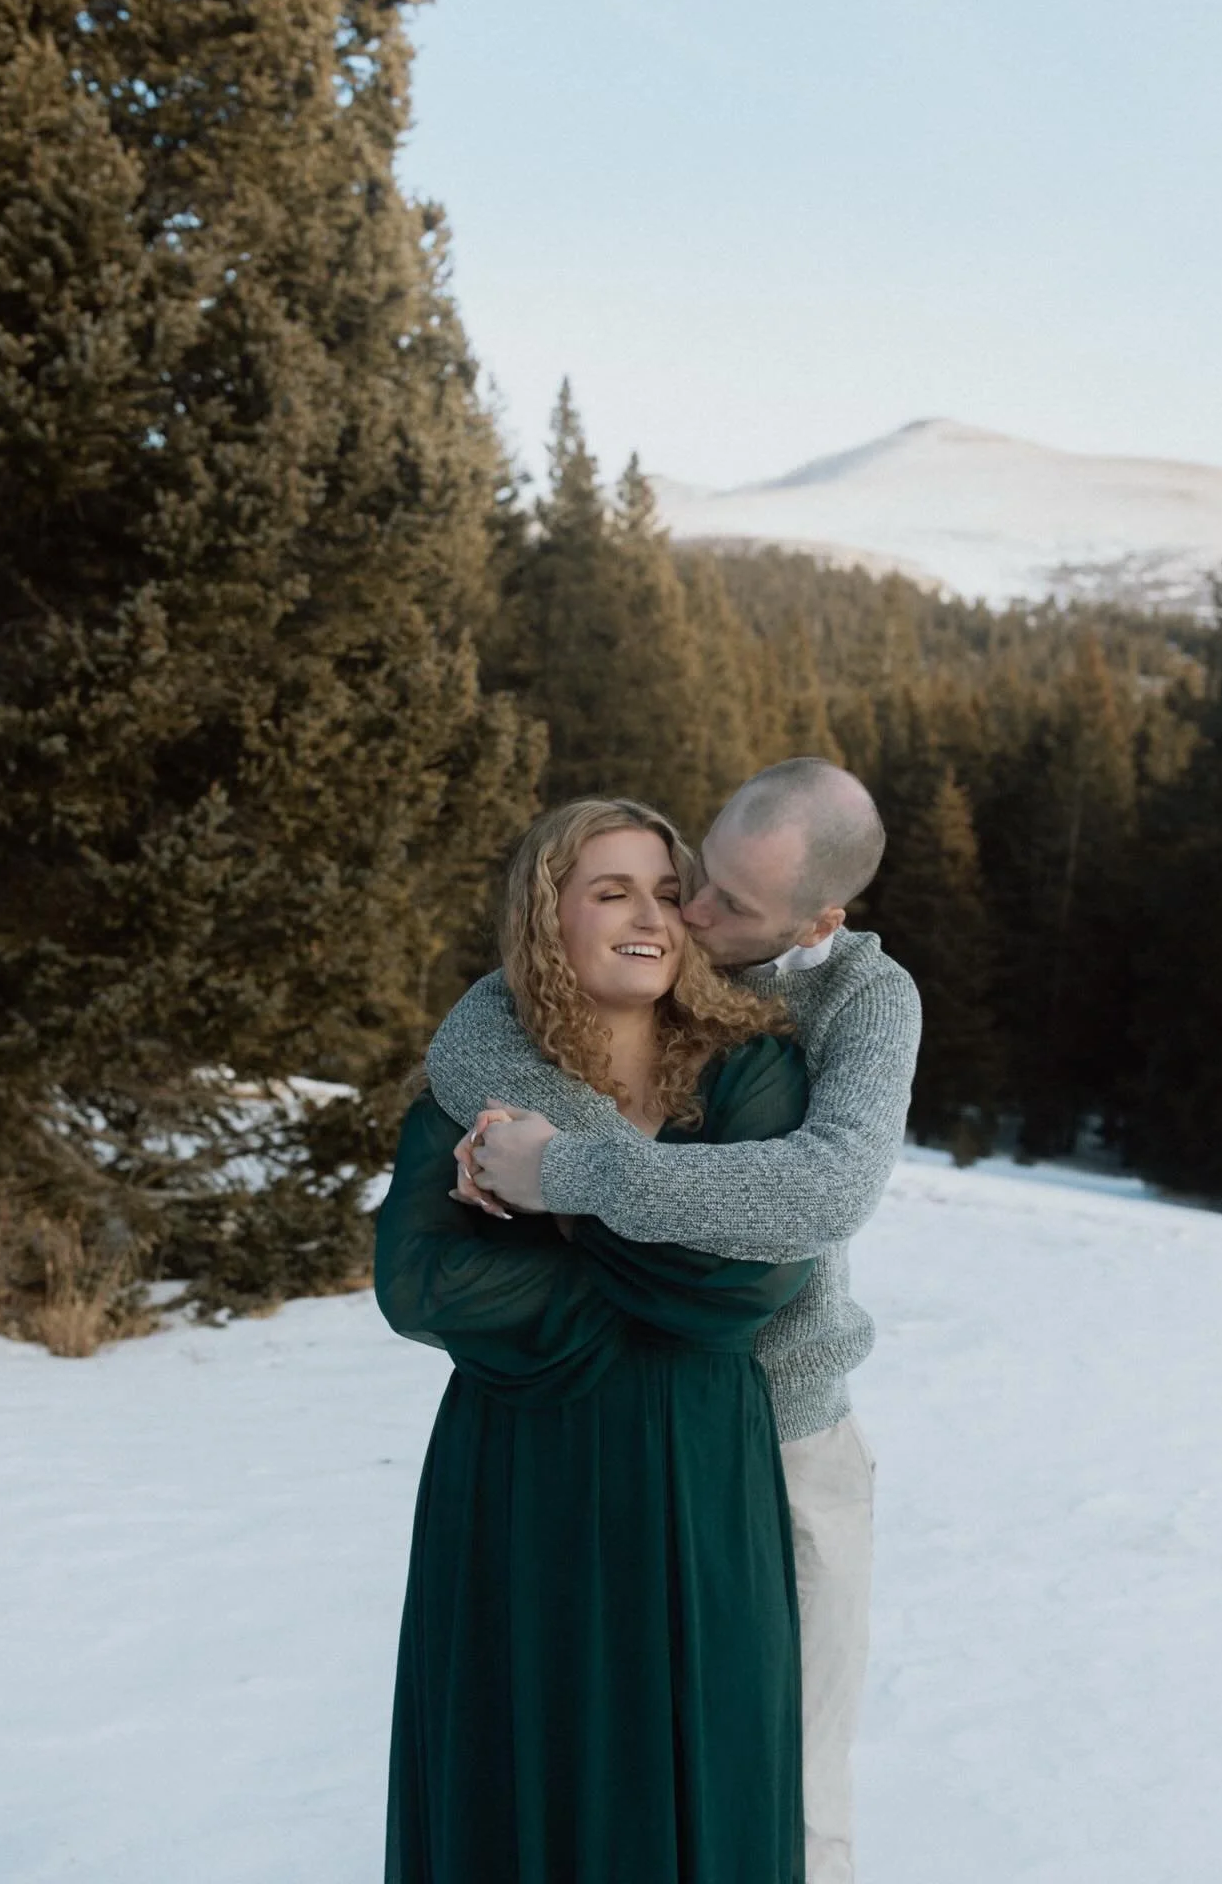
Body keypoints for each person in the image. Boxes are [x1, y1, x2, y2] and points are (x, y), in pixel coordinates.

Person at [429, 757, 922, 1884]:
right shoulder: (670, 936)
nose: (689, 915)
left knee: (793, 1783)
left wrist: (575, 1174)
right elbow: (469, 1039)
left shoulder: (865, 999)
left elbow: (825, 1193)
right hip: (631, 1428)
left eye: (730, 909)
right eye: (694, 878)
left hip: (785, 1425)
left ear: (820, 920)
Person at [375, 797, 820, 1884]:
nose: (651, 916)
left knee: (705, 1761)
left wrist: (562, 1207)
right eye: (611, 890)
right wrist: (645, 1274)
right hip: (522, 1471)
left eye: (669, 894)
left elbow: (750, 1280)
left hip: (699, 1472)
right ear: (549, 917)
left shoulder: (746, 1075)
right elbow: (423, 1280)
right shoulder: (478, 1082)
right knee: (515, 1761)